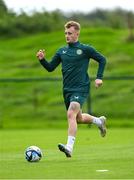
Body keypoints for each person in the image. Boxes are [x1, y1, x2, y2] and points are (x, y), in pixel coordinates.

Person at [36, 21, 107, 158]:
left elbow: (102, 60)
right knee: (78, 118)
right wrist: (42, 60)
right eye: (65, 33)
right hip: (67, 89)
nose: (67, 36)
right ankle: (99, 121)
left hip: (81, 87)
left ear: (77, 33)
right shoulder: (61, 51)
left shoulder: (86, 49)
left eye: (70, 33)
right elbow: (50, 68)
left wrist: (99, 77)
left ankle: (69, 147)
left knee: (70, 114)